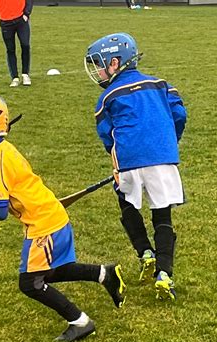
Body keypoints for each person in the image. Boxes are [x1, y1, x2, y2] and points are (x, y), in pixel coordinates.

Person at [0, 94, 126, 342]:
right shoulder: (2, 149)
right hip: (52, 216)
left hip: (44, 225)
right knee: (51, 271)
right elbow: (9, 190)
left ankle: (80, 321)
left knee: (30, 282)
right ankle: (104, 274)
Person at [83, 33, 187, 301]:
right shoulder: (162, 84)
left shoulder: (108, 96)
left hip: (129, 160)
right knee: (162, 214)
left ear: (116, 63)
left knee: (127, 203)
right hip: (163, 158)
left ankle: (145, 253)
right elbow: (179, 114)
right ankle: (164, 275)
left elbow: (107, 134)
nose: (97, 71)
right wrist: (167, 142)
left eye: (100, 64)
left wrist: (118, 160)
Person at [0, 0, 33, 87]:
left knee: (25, 45)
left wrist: (26, 13)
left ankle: (25, 74)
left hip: (21, 19)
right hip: (5, 22)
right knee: (10, 49)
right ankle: (15, 77)